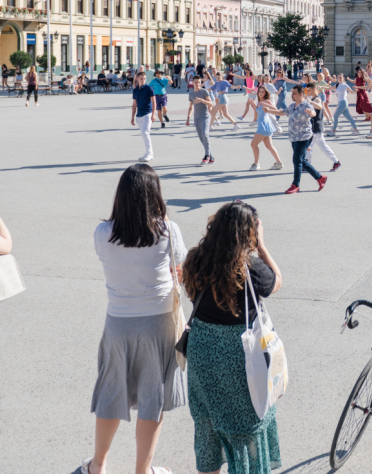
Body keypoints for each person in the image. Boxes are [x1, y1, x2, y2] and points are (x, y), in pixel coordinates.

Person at [84, 164, 186, 474]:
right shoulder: (167, 231)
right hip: (158, 323)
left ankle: (98, 465)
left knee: (112, 393)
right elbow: (178, 266)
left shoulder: (103, 233)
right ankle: (143, 471)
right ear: (153, 196)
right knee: (151, 400)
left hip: (118, 322)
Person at [182, 201, 283, 474]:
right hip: (239, 355)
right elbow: (277, 281)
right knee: (245, 427)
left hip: (202, 349)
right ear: (248, 233)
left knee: (208, 425)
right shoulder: (248, 268)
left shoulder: (195, 259)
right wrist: (261, 245)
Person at [278, 85, 328, 194]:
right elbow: (282, 112)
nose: (292, 95)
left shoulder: (306, 104)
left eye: (294, 93)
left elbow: (313, 112)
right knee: (302, 161)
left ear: (301, 94)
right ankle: (320, 178)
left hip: (304, 137)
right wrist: (269, 110)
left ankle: (295, 185)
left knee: (297, 160)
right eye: (292, 93)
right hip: (294, 137)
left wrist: (311, 113)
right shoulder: (292, 106)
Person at [249, 86, 283, 171]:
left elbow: (275, 109)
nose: (261, 93)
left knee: (253, 144)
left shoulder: (266, 101)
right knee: (269, 146)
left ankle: (256, 163)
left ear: (265, 93)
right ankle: (279, 163)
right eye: (259, 92)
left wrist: (266, 104)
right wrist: (253, 104)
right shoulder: (259, 101)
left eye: (262, 92)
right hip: (264, 125)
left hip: (264, 126)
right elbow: (258, 112)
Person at [185, 76, 215, 166]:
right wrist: (188, 118)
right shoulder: (191, 94)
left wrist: (202, 100)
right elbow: (191, 107)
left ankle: (206, 155)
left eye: (198, 82)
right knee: (202, 138)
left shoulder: (204, 91)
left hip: (205, 117)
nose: (197, 84)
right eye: (196, 82)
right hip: (196, 118)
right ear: (192, 83)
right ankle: (211, 156)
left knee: (205, 134)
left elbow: (211, 103)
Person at [130, 71, 156, 163]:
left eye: (144, 78)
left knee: (145, 133)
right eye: (141, 78)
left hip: (147, 113)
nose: (143, 80)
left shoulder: (149, 88)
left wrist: (153, 114)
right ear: (137, 79)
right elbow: (134, 104)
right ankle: (149, 153)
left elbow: (153, 101)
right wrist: (132, 117)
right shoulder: (135, 90)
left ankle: (149, 154)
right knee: (144, 134)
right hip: (139, 115)